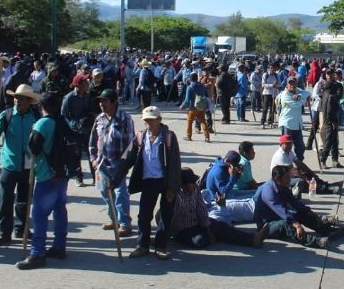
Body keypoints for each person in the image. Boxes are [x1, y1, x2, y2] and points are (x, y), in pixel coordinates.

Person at [114, 106, 181, 260]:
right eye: (146, 121)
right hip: (148, 180)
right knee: (144, 215)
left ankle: (160, 246)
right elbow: (127, 159)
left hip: (166, 181)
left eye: (152, 120)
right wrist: (115, 179)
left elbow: (175, 163)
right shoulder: (140, 137)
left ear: (159, 120)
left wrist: (173, 187)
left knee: (166, 215)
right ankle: (142, 245)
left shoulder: (169, 137)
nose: (149, 124)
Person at [16, 92, 69, 269]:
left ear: (41, 106)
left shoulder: (43, 123)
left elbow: (33, 147)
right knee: (60, 209)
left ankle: (37, 253)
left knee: (39, 215)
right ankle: (59, 246)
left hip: (47, 174)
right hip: (62, 173)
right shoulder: (62, 121)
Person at [0, 83, 41, 246]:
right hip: (9, 164)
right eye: (16, 98)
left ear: (28, 101)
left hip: (28, 165)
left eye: (21, 98)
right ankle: (4, 233)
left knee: (24, 200)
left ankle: (22, 228)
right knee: (5, 200)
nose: (18, 101)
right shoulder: (6, 115)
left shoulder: (35, 118)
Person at [253, 165, 344, 249]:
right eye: (286, 178)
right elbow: (282, 212)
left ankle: (327, 231)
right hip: (267, 226)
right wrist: (297, 225)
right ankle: (315, 241)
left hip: (279, 217)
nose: (289, 180)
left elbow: (295, 202)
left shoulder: (283, 186)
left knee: (304, 214)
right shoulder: (268, 191)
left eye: (289, 177)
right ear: (278, 179)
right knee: (286, 224)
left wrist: (309, 212)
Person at [171, 168, 266, 248]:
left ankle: (253, 239)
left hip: (198, 223)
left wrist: (208, 228)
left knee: (220, 226)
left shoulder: (195, 190)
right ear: (182, 184)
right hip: (183, 230)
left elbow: (201, 210)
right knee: (199, 241)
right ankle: (216, 235)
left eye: (193, 183)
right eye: (190, 183)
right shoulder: (176, 195)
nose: (193, 185)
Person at [88, 89, 134, 237]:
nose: (101, 104)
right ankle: (113, 218)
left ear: (114, 102)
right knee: (104, 192)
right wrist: (93, 159)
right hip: (102, 164)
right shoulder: (99, 118)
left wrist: (125, 164)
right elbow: (92, 140)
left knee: (120, 193)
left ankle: (125, 224)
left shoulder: (125, 119)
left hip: (118, 164)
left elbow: (131, 144)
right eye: (100, 101)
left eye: (105, 101)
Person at [61, 74, 93, 187]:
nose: (87, 84)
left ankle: (95, 177)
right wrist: (73, 124)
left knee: (91, 152)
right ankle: (78, 177)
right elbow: (63, 114)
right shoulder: (69, 97)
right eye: (85, 82)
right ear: (79, 85)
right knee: (77, 155)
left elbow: (89, 110)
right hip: (75, 130)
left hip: (87, 129)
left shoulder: (88, 96)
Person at [275, 76, 311, 162]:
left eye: (293, 83)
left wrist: (299, 96)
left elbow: (308, 93)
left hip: (297, 124)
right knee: (286, 146)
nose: (292, 85)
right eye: (290, 83)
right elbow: (296, 105)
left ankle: (299, 164)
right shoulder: (284, 94)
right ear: (287, 84)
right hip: (287, 123)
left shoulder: (297, 90)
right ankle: (285, 164)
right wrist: (302, 99)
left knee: (301, 146)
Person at [318, 70, 344, 169]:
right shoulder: (330, 96)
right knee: (329, 141)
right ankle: (323, 160)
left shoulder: (325, 95)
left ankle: (335, 160)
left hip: (329, 119)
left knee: (334, 141)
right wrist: (333, 122)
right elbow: (328, 111)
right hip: (330, 120)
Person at [181, 73, 210, 142]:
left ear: (190, 79)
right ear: (197, 78)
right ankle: (207, 137)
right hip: (201, 107)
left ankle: (189, 136)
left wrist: (182, 106)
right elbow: (207, 96)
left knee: (190, 122)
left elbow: (187, 100)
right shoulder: (202, 86)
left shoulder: (190, 87)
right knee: (203, 121)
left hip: (192, 108)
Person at [260, 65, 280, 129]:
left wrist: (276, 85)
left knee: (273, 108)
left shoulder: (277, 75)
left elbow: (280, 84)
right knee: (265, 108)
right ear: (268, 69)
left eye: (273, 68)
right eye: (271, 68)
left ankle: (270, 122)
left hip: (274, 94)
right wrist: (271, 85)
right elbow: (263, 84)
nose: (272, 70)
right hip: (266, 93)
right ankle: (262, 122)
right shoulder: (265, 75)